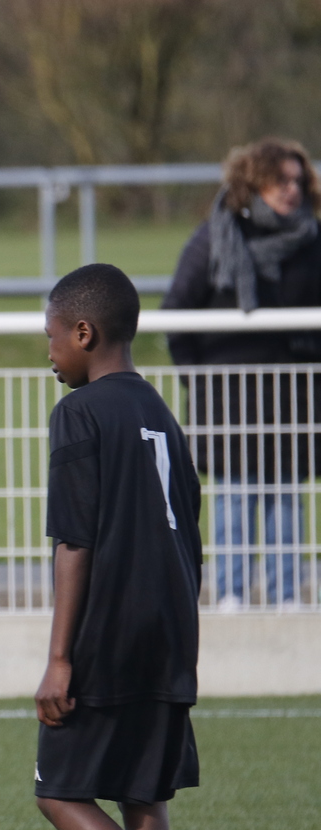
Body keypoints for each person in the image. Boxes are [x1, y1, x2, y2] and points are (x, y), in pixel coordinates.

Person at [35, 263, 232, 830]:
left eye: (53, 335)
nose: (49, 351)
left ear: (84, 332)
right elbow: (191, 529)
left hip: (109, 630)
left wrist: (60, 658)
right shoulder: (161, 413)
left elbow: (74, 540)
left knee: (58, 791)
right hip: (171, 628)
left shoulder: (80, 413)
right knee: (143, 796)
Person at [162, 137, 321, 608]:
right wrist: (197, 380)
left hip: (294, 393)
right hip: (228, 393)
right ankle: (231, 595)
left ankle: (286, 596)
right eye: (280, 180)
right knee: (234, 492)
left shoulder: (312, 240)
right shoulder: (215, 236)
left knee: (286, 493)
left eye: (298, 181)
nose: (292, 190)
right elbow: (177, 311)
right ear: (253, 182)